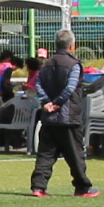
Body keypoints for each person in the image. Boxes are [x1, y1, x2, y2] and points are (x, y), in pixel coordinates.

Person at [27, 28, 94, 197]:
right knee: (75, 154)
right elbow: (70, 88)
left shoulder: (46, 64)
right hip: (68, 117)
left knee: (45, 154)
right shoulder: (74, 64)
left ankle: (38, 187)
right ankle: (82, 187)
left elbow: (38, 85)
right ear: (72, 46)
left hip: (49, 117)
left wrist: (47, 103)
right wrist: (57, 103)